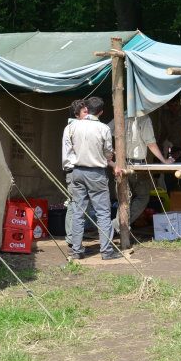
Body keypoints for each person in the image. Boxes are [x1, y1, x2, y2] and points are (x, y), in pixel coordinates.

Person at [66, 97, 122, 261]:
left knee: (78, 211)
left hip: (77, 171)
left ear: (86, 109)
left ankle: (76, 250)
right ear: (101, 112)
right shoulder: (103, 128)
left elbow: (69, 149)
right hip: (96, 172)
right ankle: (106, 251)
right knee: (103, 212)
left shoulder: (73, 126)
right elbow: (108, 153)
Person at [108, 112, 174, 232]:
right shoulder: (144, 118)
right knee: (142, 196)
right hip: (137, 165)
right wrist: (164, 160)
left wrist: (112, 151)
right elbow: (151, 143)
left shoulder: (121, 114)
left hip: (122, 163)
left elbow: (105, 132)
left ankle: (116, 226)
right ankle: (117, 225)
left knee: (124, 199)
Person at [61, 99, 88, 244]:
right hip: (73, 169)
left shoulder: (72, 126)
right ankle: (72, 238)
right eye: (85, 111)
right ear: (77, 114)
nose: (87, 114)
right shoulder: (74, 127)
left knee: (75, 204)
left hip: (73, 169)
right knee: (74, 204)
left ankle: (73, 237)